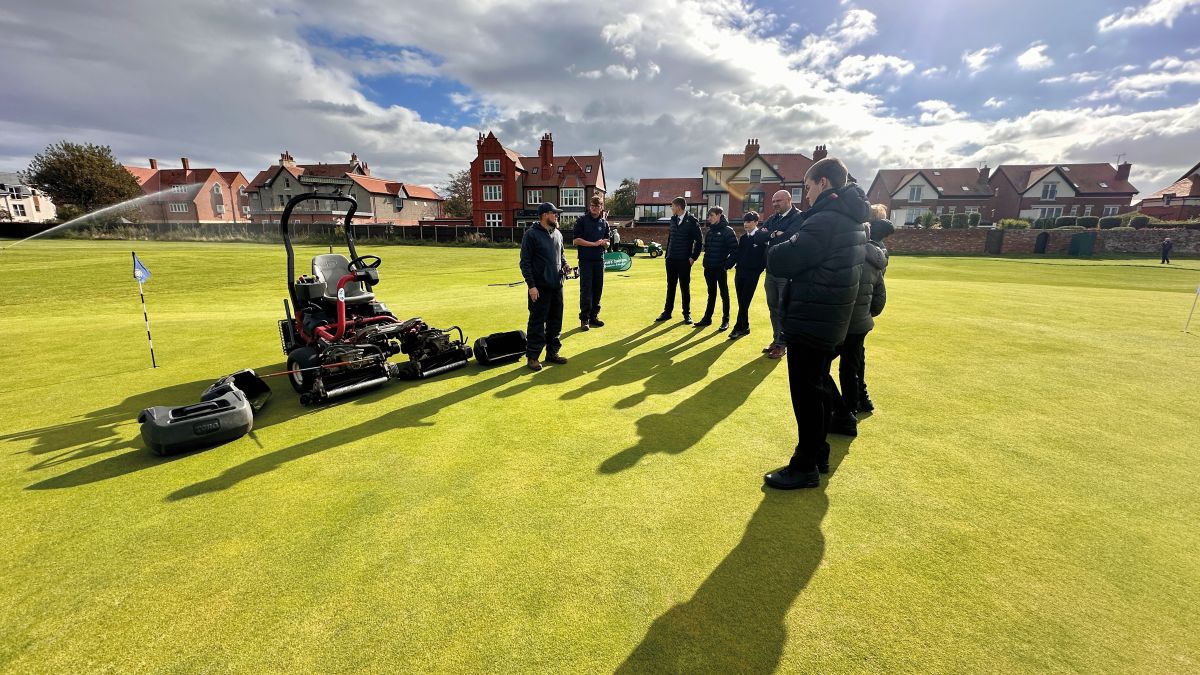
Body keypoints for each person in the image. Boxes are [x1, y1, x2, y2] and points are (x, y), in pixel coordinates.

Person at [762, 158, 867, 490]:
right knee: (819, 386)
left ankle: (805, 464)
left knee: (807, 393)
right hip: (829, 317)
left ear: (823, 183)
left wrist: (776, 245)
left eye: (807, 187)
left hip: (814, 316)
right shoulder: (847, 216)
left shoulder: (827, 219)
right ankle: (818, 453)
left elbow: (783, 258)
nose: (806, 195)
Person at [830, 205, 891, 436]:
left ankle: (845, 413)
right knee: (853, 364)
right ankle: (856, 404)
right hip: (861, 322)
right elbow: (880, 298)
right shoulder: (879, 255)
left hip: (845, 322)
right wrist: (867, 315)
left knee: (824, 366)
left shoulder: (850, 256)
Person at [519, 202, 572, 372]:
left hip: (557, 285)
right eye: (553, 213)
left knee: (555, 321)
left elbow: (561, 254)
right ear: (544, 215)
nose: (557, 216)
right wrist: (531, 286)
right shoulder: (531, 235)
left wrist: (565, 265)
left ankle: (552, 353)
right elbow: (525, 263)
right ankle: (533, 357)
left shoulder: (557, 233)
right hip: (539, 288)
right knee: (537, 322)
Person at [761, 189, 804, 359]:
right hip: (770, 270)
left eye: (778, 200)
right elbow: (758, 237)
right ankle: (776, 339)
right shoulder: (773, 218)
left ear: (788, 199)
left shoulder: (798, 217)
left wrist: (771, 235)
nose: (775, 204)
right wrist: (775, 234)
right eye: (773, 201)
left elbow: (790, 238)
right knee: (773, 308)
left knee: (783, 309)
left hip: (786, 272)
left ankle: (782, 344)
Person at [656, 197, 703, 324]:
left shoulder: (692, 221)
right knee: (670, 286)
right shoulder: (672, 220)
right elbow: (670, 238)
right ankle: (667, 312)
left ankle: (686, 314)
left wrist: (693, 257)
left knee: (684, 287)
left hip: (684, 260)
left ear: (678, 207)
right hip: (671, 259)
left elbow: (699, 241)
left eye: (672, 206)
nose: (671, 208)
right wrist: (667, 255)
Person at [695, 206, 739, 330]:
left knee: (724, 294)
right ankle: (707, 318)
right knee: (711, 294)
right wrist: (706, 264)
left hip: (720, 269)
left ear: (719, 215)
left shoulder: (728, 231)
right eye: (709, 216)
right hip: (708, 269)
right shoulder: (710, 232)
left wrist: (726, 266)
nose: (709, 218)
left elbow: (735, 251)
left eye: (712, 216)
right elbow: (707, 249)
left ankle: (725, 320)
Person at [573, 196, 611, 331]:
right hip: (585, 261)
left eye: (597, 206)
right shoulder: (582, 221)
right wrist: (594, 244)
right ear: (590, 207)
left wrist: (604, 244)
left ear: (601, 208)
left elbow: (608, 241)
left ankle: (594, 317)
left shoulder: (604, 223)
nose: (594, 208)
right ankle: (584, 319)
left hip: (599, 260)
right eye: (592, 206)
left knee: (597, 289)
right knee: (586, 290)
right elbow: (576, 240)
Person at [730, 211, 767, 339]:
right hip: (740, 273)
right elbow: (739, 255)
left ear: (756, 222)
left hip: (752, 275)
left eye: (749, 221)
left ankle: (737, 328)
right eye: (745, 221)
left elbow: (764, 258)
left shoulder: (761, 237)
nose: (745, 224)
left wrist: (758, 271)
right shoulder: (743, 238)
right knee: (742, 302)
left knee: (745, 301)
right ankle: (745, 327)